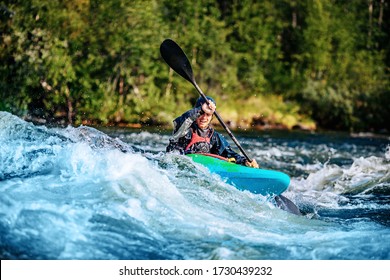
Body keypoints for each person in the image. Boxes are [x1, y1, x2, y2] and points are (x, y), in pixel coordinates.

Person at [166, 96, 259, 168]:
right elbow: (179, 122)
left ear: (212, 117)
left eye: (208, 114)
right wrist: (201, 109)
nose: (204, 118)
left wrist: (244, 161)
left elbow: (229, 154)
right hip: (177, 168)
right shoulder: (185, 130)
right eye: (201, 114)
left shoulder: (214, 137)